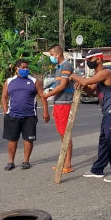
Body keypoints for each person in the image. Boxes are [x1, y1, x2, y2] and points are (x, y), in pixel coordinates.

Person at [70, 49, 111, 182]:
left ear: (98, 59)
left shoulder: (105, 73)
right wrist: (82, 86)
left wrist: (73, 76)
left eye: (89, 60)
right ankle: (98, 170)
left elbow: (85, 81)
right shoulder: (98, 74)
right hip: (108, 112)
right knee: (104, 140)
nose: (87, 62)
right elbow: (90, 91)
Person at [1, 59, 49, 171]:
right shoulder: (9, 81)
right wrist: (6, 111)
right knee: (12, 139)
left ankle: (26, 161)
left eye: (27, 67)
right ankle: (10, 162)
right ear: (17, 68)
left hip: (30, 116)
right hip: (13, 115)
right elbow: (4, 97)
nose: (26, 69)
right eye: (23, 67)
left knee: (28, 139)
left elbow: (42, 96)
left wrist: (45, 111)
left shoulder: (34, 81)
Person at [43, 44, 75, 173]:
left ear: (58, 54)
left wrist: (47, 95)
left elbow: (62, 86)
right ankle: (63, 162)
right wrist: (54, 102)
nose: (51, 57)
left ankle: (68, 164)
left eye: (51, 55)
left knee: (65, 134)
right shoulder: (58, 67)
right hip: (59, 103)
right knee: (62, 134)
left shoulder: (66, 65)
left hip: (65, 103)